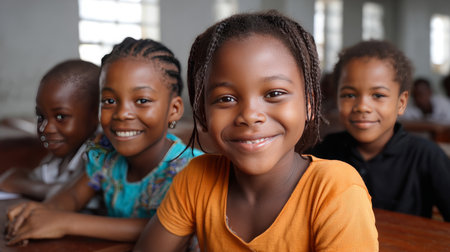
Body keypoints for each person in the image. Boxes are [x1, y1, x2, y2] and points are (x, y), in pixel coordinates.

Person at [134, 11, 378, 252]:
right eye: (226, 98)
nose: (250, 115)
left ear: (309, 104)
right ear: (202, 112)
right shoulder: (197, 178)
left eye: (274, 94)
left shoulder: (335, 190)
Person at [5, 37, 203, 246]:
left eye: (142, 101)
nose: (122, 113)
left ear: (174, 110)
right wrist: (44, 211)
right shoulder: (105, 153)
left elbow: (169, 228)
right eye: (109, 101)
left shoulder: (192, 170)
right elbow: (72, 195)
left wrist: (67, 222)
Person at [307, 40, 450, 221]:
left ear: (401, 103)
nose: (362, 107)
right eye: (349, 95)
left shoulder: (427, 156)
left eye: (378, 95)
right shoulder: (322, 154)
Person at [0, 59, 100, 201]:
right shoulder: (58, 158)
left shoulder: (99, 156)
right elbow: (11, 177)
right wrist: (46, 189)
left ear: (96, 115)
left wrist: (37, 188)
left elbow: (70, 197)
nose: (45, 128)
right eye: (41, 116)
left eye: (61, 117)